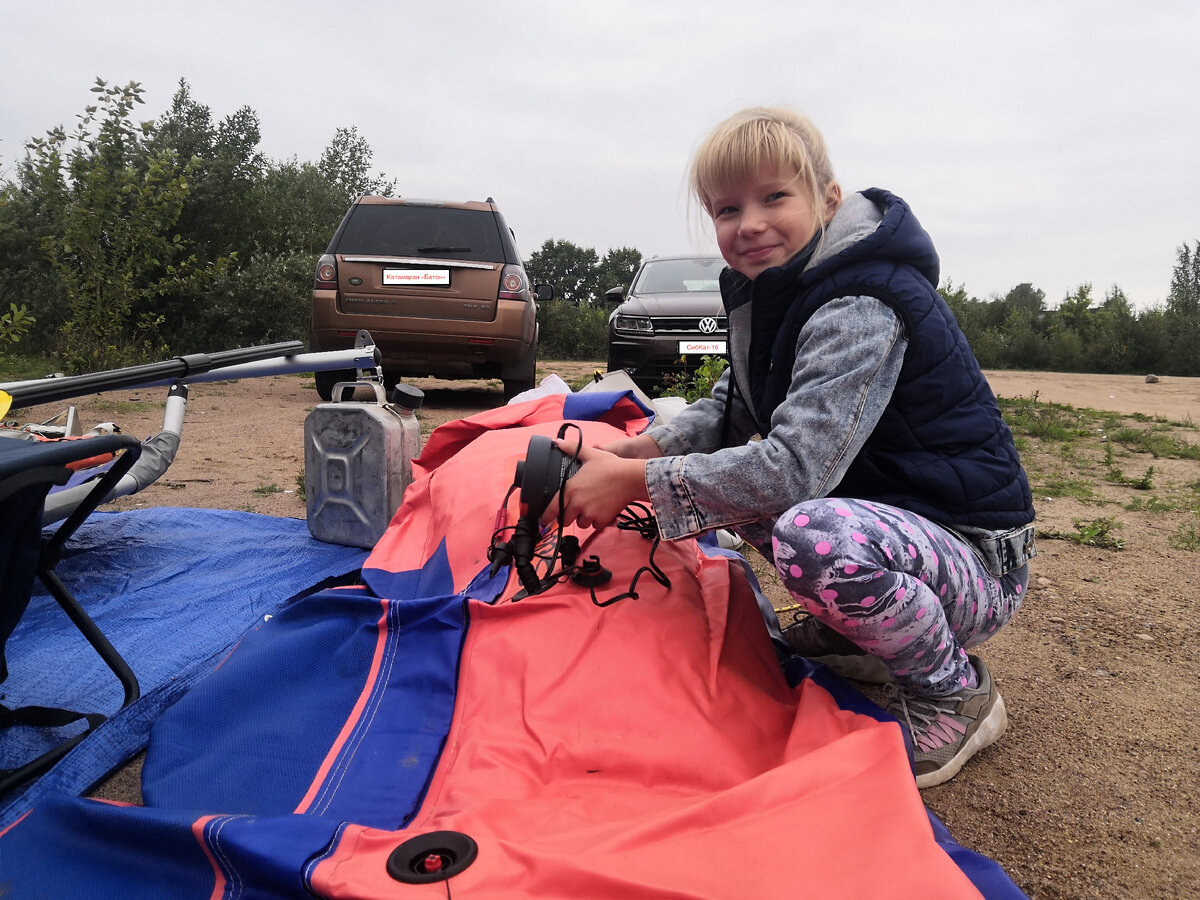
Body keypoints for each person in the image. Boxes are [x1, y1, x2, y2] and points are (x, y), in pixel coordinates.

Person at [546, 105, 1035, 789]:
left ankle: (956, 692)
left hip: (976, 555)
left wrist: (638, 485)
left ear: (827, 201)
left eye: (775, 197)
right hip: (901, 521)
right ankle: (856, 637)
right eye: (726, 209)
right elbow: (735, 405)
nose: (748, 223)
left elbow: (795, 467)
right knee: (732, 492)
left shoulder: (861, 300)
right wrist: (644, 448)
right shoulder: (770, 290)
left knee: (810, 532)